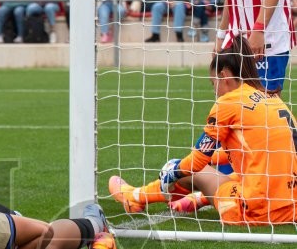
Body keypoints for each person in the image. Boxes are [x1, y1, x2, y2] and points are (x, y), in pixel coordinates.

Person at [110, 37, 297, 225]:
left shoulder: (229, 102)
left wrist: (174, 169)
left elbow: (197, 162)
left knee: (193, 171)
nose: (214, 90)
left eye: (213, 83)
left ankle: (136, 196)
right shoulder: (270, 97)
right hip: (292, 207)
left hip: (257, 211)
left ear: (223, 76)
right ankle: (195, 199)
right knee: (235, 175)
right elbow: (249, 150)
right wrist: (211, 158)